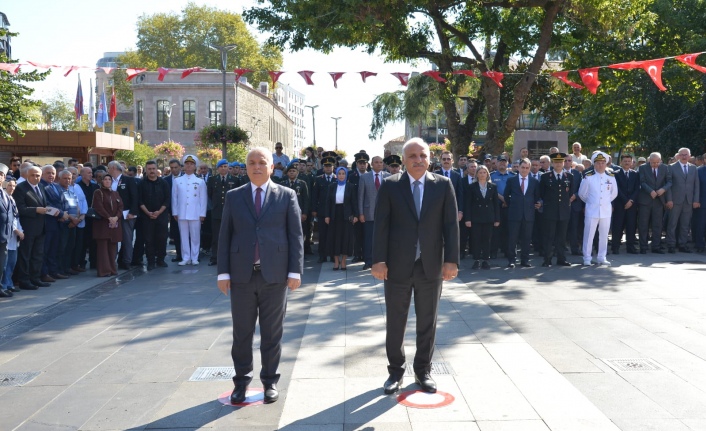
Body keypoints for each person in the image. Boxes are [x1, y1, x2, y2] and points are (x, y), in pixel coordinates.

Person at [372, 137, 459, 395]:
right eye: (412, 156)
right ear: (404, 160)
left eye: (422, 156)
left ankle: (423, 371)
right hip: (397, 266)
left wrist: (451, 260)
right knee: (395, 321)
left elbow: (450, 226)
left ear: (429, 159)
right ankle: (395, 372)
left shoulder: (443, 186)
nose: (418, 160)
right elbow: (381, 226)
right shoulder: (390, 186)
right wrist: (378, 260)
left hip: (430, 266)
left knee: (427, 321)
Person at [217, 147, 303, 405]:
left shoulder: (286, 195)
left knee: (272, 333)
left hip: (274, 277)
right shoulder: (234, 196)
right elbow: (225, 235)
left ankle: (269, 382)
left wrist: (294, 270)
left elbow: (296, 235)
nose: (256, 167)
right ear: (246, 167)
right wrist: (223, 272)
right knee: (241, 333)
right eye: (251, 163)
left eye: (261, 162)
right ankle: (241, 382)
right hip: (242, 276)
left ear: (271, 167)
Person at [579, 152, 618, 266]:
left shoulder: (610, 177)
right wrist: (591, 202)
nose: (600, 165)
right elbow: (582, 194)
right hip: (592, 210)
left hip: (605, 210)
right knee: (589, 234)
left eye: (602, 163)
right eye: (598, 163)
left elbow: (614, 193)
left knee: (604, 235)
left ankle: (602, 257)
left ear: (606, 164)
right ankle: (587, 257)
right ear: (594, 164)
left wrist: (605, 202)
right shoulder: (589, 176)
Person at [14, 166, 50, 290]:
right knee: (26, 255)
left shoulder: (40, 187)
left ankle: (35, 278)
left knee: (38, 255)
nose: (35, 177)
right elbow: (20, 208)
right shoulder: (21, 188)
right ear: (27, 176)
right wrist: (36, 210)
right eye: (33, 175)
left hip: (40, 227)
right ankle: (24, 280)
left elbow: (43, 204)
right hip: (28, 228)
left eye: (38, 175)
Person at [504, 159, 541, 268]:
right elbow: (506, 196)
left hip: (529, 214)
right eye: (523, 167)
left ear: (529, 169)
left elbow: (536, 196)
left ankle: (525, 260)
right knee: (512, 238)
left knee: (526, 238)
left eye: (527, 168)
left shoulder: (534, 181)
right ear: (519, 168)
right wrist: (514, 205)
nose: (524, 170)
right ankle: (511, 260)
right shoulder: (511, 180)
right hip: (514, 213)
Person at [539, 152, 574, 267]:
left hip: (564, 212)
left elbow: (571, 193)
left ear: (564, 163)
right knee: (549, 236)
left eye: (561, 162)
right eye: (556, 162)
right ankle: (547, 259)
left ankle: (561, 259)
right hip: (550, 212)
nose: (559, 164)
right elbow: (542, 194)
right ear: (552, 163)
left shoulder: (569, 177)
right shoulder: (545, 177)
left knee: (562, 237)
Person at [172, 154, 207, 265]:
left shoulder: (200, 181)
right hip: (182, 212)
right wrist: (175, 212)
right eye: (187, 164)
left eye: (191, 164)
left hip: (195, 213)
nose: (189, 166)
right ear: (183, 166)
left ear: (195, 167)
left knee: (195, 236)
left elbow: (203, 199)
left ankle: (195, 257)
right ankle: (186, 257)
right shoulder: (178, 181)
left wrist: (202, 213)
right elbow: (174, 197)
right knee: (183, 236)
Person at [464, 165, 500, 269]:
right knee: (476, 239)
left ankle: (485, 260)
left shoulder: (493, 187)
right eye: (480, 172)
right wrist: (468, 219)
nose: (482, 174)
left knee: (487, 239)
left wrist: (497, 219)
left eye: (484, 172)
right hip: (476, 217)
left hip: (489, 217)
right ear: (477, 174)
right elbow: (468, 204)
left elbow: (495, 204)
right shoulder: (472, 187)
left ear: (487, 174)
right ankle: (476, 259)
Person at [358, 156, 390, 270]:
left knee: (384, 239)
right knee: (369, 239)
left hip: (385, 214)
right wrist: (361, 213)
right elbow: (360, 197)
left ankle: (384, 260)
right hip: (369, 213)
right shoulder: (364, 177)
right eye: (376, 162)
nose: (379, 164)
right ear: (371, 164)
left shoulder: (388, 177)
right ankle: (368, 261)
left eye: (381, 162)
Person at [138, 160, 171, 270]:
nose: (152, 171)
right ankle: (151, 261)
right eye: (149, 169)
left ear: (157, 170)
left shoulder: (164, 183)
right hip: (146, 216)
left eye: (153, 169)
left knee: (162, 238)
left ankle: (161, 260)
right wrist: (148, 212)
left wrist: (159, 212)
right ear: (146, 170)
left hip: (161, 216)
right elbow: (139, 200)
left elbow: (167, 199)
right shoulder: (141, 183)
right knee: (149, 240)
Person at [666, 148, 700, 253]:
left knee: (685, 224)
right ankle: (671, 244)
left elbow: (696, 185)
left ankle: (682, 244)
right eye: (682, 154)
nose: (684, 156)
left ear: (689, 156)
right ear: (679, 156)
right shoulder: (671, 167)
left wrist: (696, 200)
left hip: (689, 201)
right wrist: (669, 199)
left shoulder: (694, 168)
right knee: (672, 224)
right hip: (675, 200)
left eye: (686, 155)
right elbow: (668, 185)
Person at [638, 152, 672, 253]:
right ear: (649, 160)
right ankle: (643, 247)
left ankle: (656, 247)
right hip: (645, 200)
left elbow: (669, 181)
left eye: (657, 162)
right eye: (653, 162)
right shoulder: (643, 168)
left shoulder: (665, 168)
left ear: (660, 161)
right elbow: (642, 181)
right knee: (643, 224)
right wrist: (650, 191)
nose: (655, 164)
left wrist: (663, 189)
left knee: (657, 225)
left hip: (659, 201)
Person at [207, 159, 239, 266]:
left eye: (225, 166)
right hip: (217, 211)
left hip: (231, 212)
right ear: (218, 168)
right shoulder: (212, 180)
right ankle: (215, 257)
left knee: (231, 235)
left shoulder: (234, 180)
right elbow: (210, 194)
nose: (223, 169)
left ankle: (231, 257)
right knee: (216, 236)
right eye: (221, 167)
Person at [325, 167, 358, 270]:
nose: (341, 175)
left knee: (346, 238)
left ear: (346, 175)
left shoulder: (350, 187)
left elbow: (354, 202)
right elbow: (328, 202)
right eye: (339, 173)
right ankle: (336, 261)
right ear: (337, 175)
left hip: (346, 215)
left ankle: (343, 260)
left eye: (343, 173)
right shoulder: (332, 186)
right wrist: (327, 215)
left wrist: (356, 215)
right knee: (334, 238)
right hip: (335, 215)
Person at [108, 161, 139, 270]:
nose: (108, 170)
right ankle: (112, 261)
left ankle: (126, 261)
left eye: (109, 168)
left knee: (127, 238)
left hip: (126, 214)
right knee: (113, 238)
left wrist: (133, 212)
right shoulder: (108, 180)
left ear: (113, 168)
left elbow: (135, 197)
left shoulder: (128, 180)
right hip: (112, 215)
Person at [92, 174, 123, 277]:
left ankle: (112, 269)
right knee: (103, 249)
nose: (107, 181)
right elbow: (99, 207)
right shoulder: (98, 192)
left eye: (109, 179)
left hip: (114, 225)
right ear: (101, 181)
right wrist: (109, 217)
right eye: (105, 179)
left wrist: (116, 217)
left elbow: (120, 207)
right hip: (102, 225)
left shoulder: (115, 193)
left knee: (112, 248)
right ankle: (104, 271)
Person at [611, 154, 640, 254]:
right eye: (625, 161)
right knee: (617, 226)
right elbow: (616, 189)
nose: (627, 163)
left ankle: (630, 247)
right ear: (621, 162)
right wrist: (625, 201)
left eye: (629, 161)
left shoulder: (635, 174)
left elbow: (637, 188)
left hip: (632, 205)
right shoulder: (615, 174)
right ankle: (615, 247)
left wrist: (631, 200)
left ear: (632, 162)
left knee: (631, 226)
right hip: (620, 204)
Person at [311, 156, 337, 263]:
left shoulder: (337, 179)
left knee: (333, 234)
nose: (328, 168)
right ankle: (322, 255)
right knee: (322, 234)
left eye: (329, 166)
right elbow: (314, 196)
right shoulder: (318, 179)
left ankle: (332, 255)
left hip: (334, 211)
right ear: (323, 167)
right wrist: (314, 209)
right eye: (326, 166)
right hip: (322, 211)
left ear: (333, 167)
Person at [1, 176, 21, 297]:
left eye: (14, 186)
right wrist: (16, 230)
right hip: (6, 234)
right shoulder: (3, 197)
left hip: (13, 235)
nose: (12, 188)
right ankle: (4, 285)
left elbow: (16, 217)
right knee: (4, 263)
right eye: (9, 185)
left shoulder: (12, 199)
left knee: (12, 262)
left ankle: (9, 283)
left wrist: (20, 230)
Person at [0, 165, 16, 298]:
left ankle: (0, 287)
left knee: (2, 265)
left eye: (1, 174)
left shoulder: (5, 194)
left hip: (5, 236)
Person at [164, 159, 183, 263]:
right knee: (176, 234)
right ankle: (179, 254)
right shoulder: (166, 180)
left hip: (185, 210)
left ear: (180, 167)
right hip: (173, 212)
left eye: (176, 167)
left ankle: (190, 254)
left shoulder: (186, 177)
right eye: (171, 168)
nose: (174, 169)